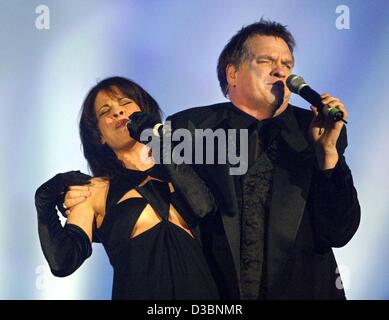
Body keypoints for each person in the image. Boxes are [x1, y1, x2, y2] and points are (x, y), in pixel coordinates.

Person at [64, 20, 361, 300]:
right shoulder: (190, 129)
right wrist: (84, 195)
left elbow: (339, 231)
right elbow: (152, 195)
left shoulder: (315, 131)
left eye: (287, 64)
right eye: (266, 62)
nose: (280, 71)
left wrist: (329, 156)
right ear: (233, 74)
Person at [34, 76, 219, 299]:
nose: (117, 112)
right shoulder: (94, 190)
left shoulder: (186, 170)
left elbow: (204, 207)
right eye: (105, 111)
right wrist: (44, 202)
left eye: (125, 103)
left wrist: (158, 140)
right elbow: (63, 261)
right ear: (99, 136)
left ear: (144, 109)